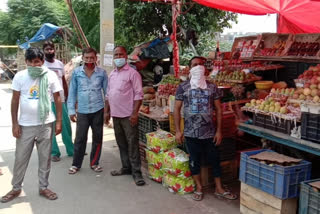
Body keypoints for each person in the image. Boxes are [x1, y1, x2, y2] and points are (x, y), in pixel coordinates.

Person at [1, 47, 62, 203]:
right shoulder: (20, 76)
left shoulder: (50, 75)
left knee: (45, 158)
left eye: (37, 62)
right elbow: (15, 100)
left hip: (46, 124)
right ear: (26, 62)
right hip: (25, 125)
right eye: (31, 62)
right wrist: (15, 124)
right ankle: (16, 188)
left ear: (42, 61)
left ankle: (43, 187)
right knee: (20, 158)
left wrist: (59, 122)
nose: (34, 65)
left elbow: (57, 99)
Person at [174, 56, 237, 201]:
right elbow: (177, 109)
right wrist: (178, 130)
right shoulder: (183, 87)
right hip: (190, 133)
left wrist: (219, 131)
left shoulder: (212, 87)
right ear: (190, 69)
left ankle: (219, 188)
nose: (198, 67)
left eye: (201, 65)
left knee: (215, 160)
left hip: (210, 133)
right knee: (194, 161)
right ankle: (199, 187)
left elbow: (219, 110)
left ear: (205, 69)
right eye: (195, 65)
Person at [104, 46, 145, 186]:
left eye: (121, 54)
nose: (118, 57)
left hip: (128, 115)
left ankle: (137, 173)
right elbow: (109, 95)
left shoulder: (133, 73)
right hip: (116, 115)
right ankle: (126, 167)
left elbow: (139, 95)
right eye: (116, 55)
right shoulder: (112, 75)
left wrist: (135, 113)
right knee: (121, 143)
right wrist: (107, 112)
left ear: (126, 56)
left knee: (132, 143)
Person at [67, 47, 108, 174]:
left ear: (96, 58)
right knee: (80, 138)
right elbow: (72, 92)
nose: (89, 60)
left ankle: (95, 162)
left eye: (92, 57)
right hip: (83, 111)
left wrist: (107, 111)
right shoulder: (76, 73)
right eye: (87, 57)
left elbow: (107, 93)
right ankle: (76, 164)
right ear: (83, 58)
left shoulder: (102, 73)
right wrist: (71, 110)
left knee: (97, 138)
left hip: (98, 110)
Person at [43, 41, 74, 162]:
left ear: (54, 50)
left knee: (66, 125)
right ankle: (54, 152)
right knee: (51, 126)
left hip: (61, 100)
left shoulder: (60, 64)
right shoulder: (42, 65)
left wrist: (66, 96)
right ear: (43, 51)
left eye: (51, 49)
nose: (49, 51)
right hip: (48, 100)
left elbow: (63, 81)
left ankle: (71, 150)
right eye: (47, 49)